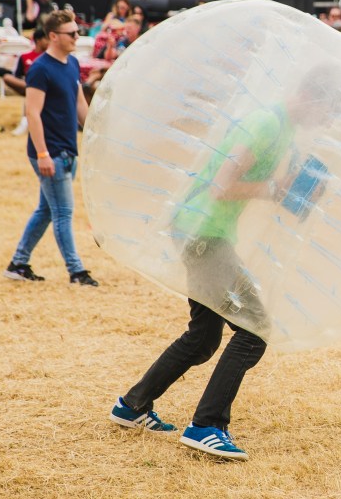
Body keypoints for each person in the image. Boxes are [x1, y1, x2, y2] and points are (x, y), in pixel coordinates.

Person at [110, 100, 300, 460]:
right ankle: (206, 426)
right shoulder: (265, 122)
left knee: (203, 337)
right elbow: (221, 186)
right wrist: (273, 189)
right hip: (203, 233)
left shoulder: (284, 129)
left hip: (205, 230)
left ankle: (132, 406)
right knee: (254, 328)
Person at [3, 10, 98, 287]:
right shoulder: (40, 69)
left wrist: (94, 131)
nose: (77, 38)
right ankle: (76, 271)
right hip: (51, 152)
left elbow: (80, 104)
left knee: (46, 210)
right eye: (72, 34)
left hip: (68, 150)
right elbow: (32, 113)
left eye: (77, 32)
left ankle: (18, 264)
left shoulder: (71, 64)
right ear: (54, 36)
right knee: (63, 212)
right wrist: (43, 154)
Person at [9, 28, 51, 135]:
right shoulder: (25, 56)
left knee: (31, 91)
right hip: (28, 84)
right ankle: (24, 122)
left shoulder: (50, 57)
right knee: (8, 77)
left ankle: (24, 122)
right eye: (46, 39)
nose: (48, 42)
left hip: (46, 87)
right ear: (38, 40)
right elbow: (17, 75)